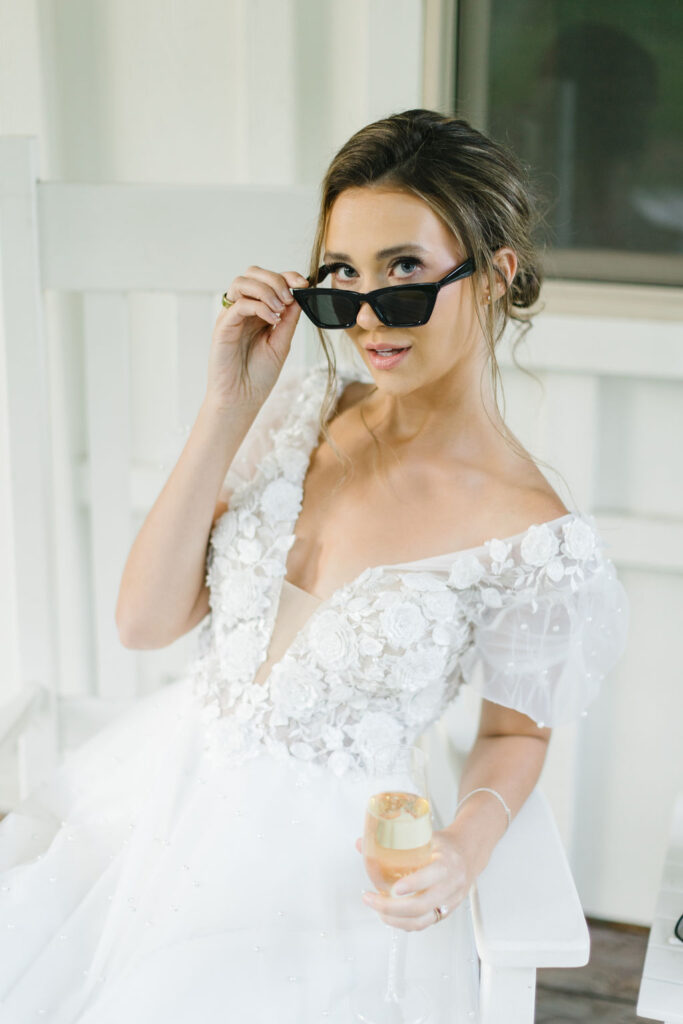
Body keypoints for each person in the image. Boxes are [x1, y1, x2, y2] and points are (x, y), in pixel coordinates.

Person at [0, 108, 628, 1022]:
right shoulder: (302, 411)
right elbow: (143, 624)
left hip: (323, 868)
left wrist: (464, 844)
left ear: (493, 276)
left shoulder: (533, 536)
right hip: (155, 801)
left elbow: (515, 735)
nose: (368, 316)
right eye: (342, 277)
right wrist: (226, 407)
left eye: (405, 273)